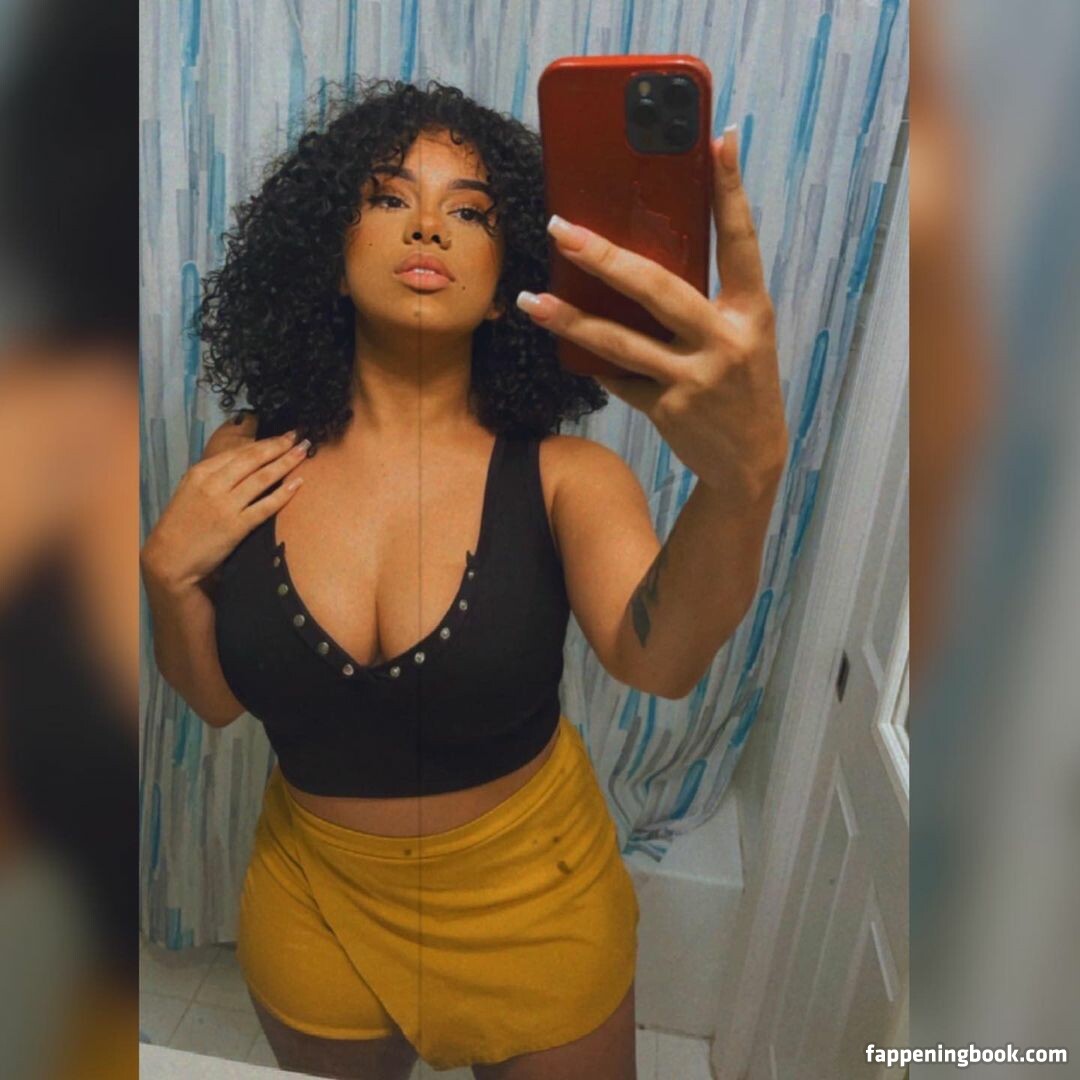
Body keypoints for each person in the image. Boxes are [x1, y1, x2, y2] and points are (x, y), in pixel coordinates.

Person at [140, 76, 787, 1079]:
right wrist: (164, 575)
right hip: (315, 899)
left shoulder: (567, 478)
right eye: (389, 196)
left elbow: (660, 664)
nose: (429, 227)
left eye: (471, 211)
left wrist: (744, 481)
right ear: (329, 255)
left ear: (507, 283)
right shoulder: (247, 458)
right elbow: (216, 701)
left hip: (537, 900)